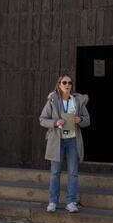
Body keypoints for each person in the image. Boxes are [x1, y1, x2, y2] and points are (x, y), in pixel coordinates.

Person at [39, 74, 90, 214]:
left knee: (73, 173)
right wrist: (55, 122)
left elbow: (87, 120)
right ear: (59, 84)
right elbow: (42, 119)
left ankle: (71, 202)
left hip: (73, 140)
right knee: (55, 172)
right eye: (64, 82)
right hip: (57, 141)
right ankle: (52, 202)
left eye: (70, 83)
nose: (67, 85)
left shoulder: (78, 101)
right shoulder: (52, 100)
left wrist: (79, 119)